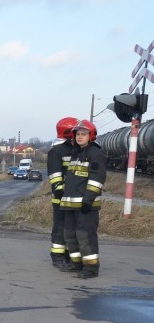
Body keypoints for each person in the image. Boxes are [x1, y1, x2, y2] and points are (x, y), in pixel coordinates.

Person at [58, 120, 106, 279]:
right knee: (70, 235)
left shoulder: (95, 153)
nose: (79, 137)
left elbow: (96, 179)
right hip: (70, 204)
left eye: (83, 134)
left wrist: (88, 200)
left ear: (91, 136)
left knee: (85, 236)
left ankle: (91, 267)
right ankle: (76, 263)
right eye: (77, 134)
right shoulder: (75, 153)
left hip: (86, 205)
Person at [47, 117, 77, 268]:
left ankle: (70, 256)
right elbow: (55, 176)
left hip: (76, 198)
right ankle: (57, 257)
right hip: (61, 198)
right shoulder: (56, 151)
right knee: (60, 227)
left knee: (72, 228)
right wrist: (60, 191)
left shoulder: (78, 150)